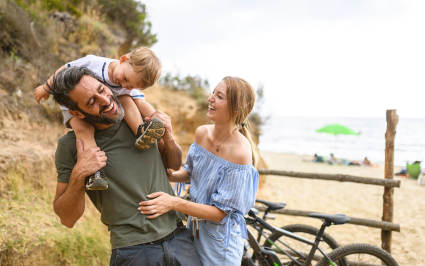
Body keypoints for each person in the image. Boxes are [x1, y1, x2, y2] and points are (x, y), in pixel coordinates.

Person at [50, 67, 201, 266]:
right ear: (77, 112)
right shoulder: (71, 146)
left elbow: (172, 166)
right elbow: (67, 219)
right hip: (133, 253)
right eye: (91, 102)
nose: (105, 100)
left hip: (180, 240)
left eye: (101, 90)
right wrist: (79, 174)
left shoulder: (139, 121)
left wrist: (169, 137)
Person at [139, 76, 259, 265]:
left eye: (219, 96)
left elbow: (221, 213)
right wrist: (170, 175)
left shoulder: (240, 152)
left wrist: (173, 203)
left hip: (220, 246)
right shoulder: (202, 133)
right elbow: (190, 172)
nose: (210, 99)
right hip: (193, 231)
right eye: (213, 93)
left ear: (236, 109)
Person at [34, 47, 163, 190]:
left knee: (127, 98)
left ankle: (141, 131)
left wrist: (155, 116)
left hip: (101, 105)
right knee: (84, 131)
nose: (125, 85)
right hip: (73, 105)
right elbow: (65, 68)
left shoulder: (128, 82)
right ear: (123, 59)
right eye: (126, 79)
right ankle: (95, 173)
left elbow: (140, 102)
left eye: (131, 85)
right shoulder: (93, 63)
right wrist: (46, 87)